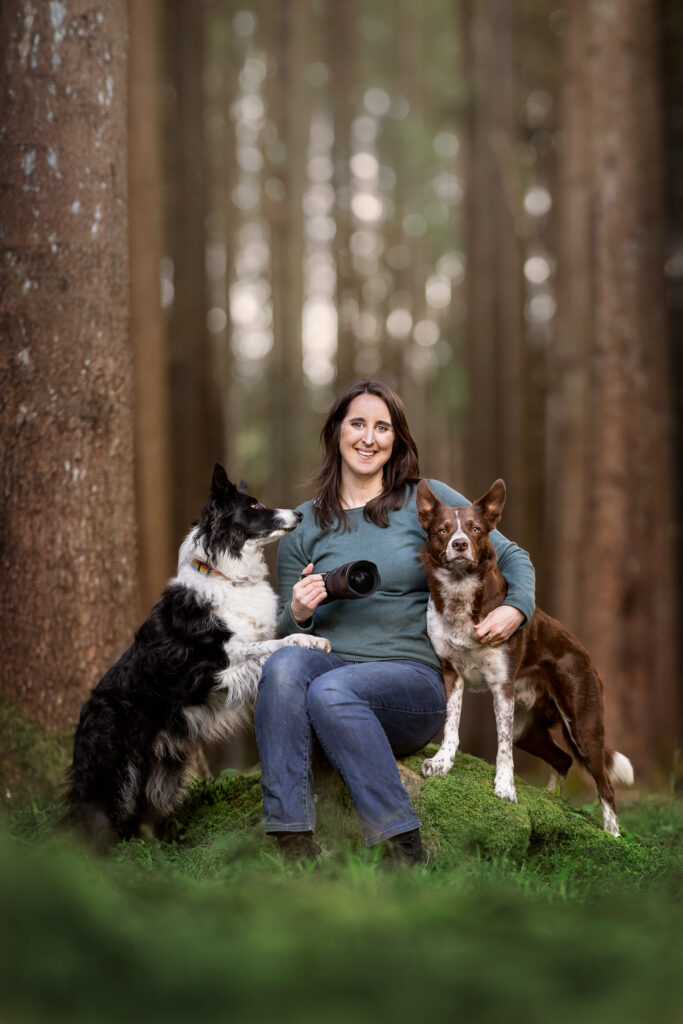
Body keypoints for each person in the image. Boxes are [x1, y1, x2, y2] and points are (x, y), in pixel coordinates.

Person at [254, 380, 535, 865]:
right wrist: (298, 611)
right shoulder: (304, 524)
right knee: (282, 670)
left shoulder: (424, 501)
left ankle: (402, 845)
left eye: (382, 427)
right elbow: (282, 634)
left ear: (396, 439)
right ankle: (291, 845)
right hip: (329, 669)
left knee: (331, 691)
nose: (368, 437)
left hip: (413, 683)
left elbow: (512, 555)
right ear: (336, 432)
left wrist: (516, 607)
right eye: (357, 424)